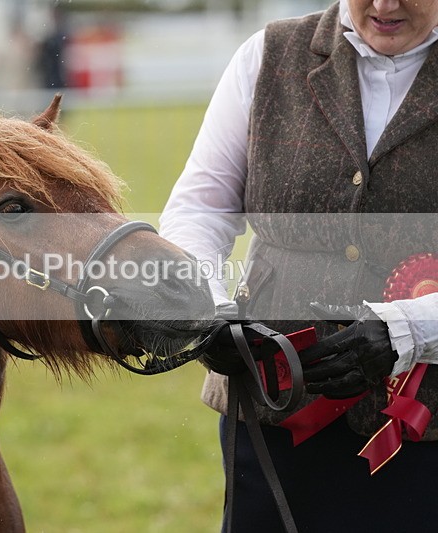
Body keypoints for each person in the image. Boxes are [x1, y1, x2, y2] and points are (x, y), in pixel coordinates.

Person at [160, 1, 438, 531]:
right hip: (269, 406)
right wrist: (208, 307)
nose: (384, 5)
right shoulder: (267, 54)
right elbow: (201, 207)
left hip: (426, 425)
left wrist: (407, 331)